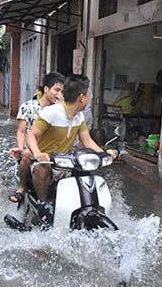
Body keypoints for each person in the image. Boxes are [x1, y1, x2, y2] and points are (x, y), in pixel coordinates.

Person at [26, 77, 118, 227]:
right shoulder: (51, 112)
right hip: (47, 162)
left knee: (86, 171)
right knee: (41, 168)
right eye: (88, 95)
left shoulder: (79, 117)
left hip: (66, 162)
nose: (89, 98)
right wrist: (38, 154)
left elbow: (86, 141)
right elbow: (31, 135)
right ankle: (43, 204)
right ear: (82, 98)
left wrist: (104, 154)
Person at [8, 72, 66, 203]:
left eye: (62, 91)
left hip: (55, 152)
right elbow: (21, 132)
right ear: (46, 89)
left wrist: (61, 109)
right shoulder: (28, 107)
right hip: (32, 150)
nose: (59, 94)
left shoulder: (62, 110)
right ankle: (22, 188)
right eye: (56, 90)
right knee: (27, 154)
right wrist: (20, 148)